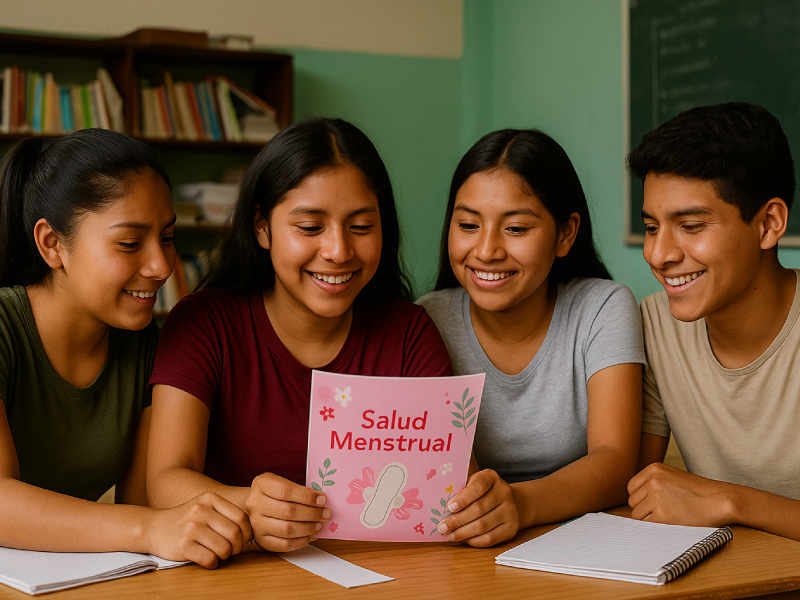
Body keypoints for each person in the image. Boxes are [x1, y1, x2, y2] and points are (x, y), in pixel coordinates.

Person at [146, 117, 452, 552]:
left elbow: (450, 483)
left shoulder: (409, 332)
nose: (338, 251)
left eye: (361, 227)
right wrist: (250, 506)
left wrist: (482, 502)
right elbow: (165, 482)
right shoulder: (202, 324)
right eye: (310, 228)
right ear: (262, 227)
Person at [0, 128, 251, 567]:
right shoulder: (4, 328)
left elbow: (143, 503)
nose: (161, 266)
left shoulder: (148, 348)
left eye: (168, 238)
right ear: (52, 244)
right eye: (130, 244)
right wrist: (149, 529)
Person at [417, 129, 645, 547]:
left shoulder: (603, 307)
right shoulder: (427, 318)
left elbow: (615, 462)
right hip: (465, 544)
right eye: (468, 224)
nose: (486, 250)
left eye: (516, 229)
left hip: (583, 543)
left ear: (565, 234)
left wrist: (519, 504)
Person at [627, 102, 800, 542]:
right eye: (650, 227)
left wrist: (729, 501)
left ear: (769, 224)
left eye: (690, 225)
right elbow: (637, 489)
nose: (659, 254)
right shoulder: (655, 325)